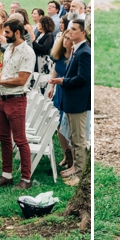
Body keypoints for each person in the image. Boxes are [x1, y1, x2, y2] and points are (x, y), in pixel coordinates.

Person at [0, 18, 36, 189]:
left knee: (20, 140)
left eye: (7, 32)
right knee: (4, 138)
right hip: (2, 98)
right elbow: (5, 73)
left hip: (16, 99)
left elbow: (22, 80)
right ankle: (6, 174)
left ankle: (26, 179)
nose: (4, 35)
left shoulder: (27, 52)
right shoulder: (8, 49)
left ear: (17, 32)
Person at [54, 19, 91, 184]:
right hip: (71, 100)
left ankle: (80, 174)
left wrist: (63, 81)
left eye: (74, 29)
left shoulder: (84, 52)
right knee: (73, 138)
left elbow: (83, 78)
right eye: (69, 29)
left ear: (83, 32)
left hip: (78, 101)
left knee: (78, 139)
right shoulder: (77, 50)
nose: (70, 32)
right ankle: (75, 167)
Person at [47, 18, 72, 176]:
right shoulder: (60, 56)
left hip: (69, 91)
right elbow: (56, 69)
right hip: (59, 92)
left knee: (68, 125)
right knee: (58, 126)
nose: (65, 41)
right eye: (64, 38)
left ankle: (73, 158)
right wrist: (51, 86)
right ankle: (65, 154)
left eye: (68, 39)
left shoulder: (75, 57)